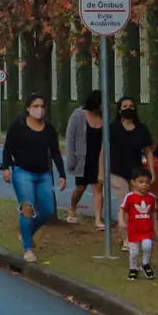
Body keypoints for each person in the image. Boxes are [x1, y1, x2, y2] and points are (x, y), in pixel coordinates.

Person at [1, 92, 67, 263]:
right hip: (22, 172)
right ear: (28, 108)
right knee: (27, 208)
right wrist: (6, 168)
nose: (39, 110)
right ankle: (28, 249)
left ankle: (26, 234)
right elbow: (8, 148)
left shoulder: (49, 130)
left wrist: (62, 174)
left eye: (42, 106)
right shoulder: (18, 126)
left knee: (47, 210)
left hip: (43, 174)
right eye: (36, 106)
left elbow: (55, 153)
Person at [106, 96, 155, 225]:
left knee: (137, 204)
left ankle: (135, 234)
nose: (128, 109)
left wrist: (152, 172)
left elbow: (148, 151)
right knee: (125, 203)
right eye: (125, 107)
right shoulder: (112, 128)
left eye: (131, 106)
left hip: (136, 173)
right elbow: (103, 151)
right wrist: (101, 172)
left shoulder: (142, 129)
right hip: (117, 172)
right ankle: (126, 239)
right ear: (120, 110)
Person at [64, 90, 104, 228]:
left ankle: (98, 219)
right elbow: (70, 138)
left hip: (98, 158)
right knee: (80, 187)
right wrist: (72, 158)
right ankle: (72, 209)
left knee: (98, 187)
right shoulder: (78, 115)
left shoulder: (104, 117)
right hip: (82, 159)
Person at [119, 167, 158, 281]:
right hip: (134, 230)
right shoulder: (129, 197)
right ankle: (133, 268)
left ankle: (146, 264)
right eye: (141, 182)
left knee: (147, 246)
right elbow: (122, 209)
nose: (144, 185)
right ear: (133, 182)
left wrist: (155, 227)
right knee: (134, 251)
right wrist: (121, 221)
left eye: (147, 182)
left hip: (146, 229)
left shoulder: (151, 198)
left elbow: (154, 212)